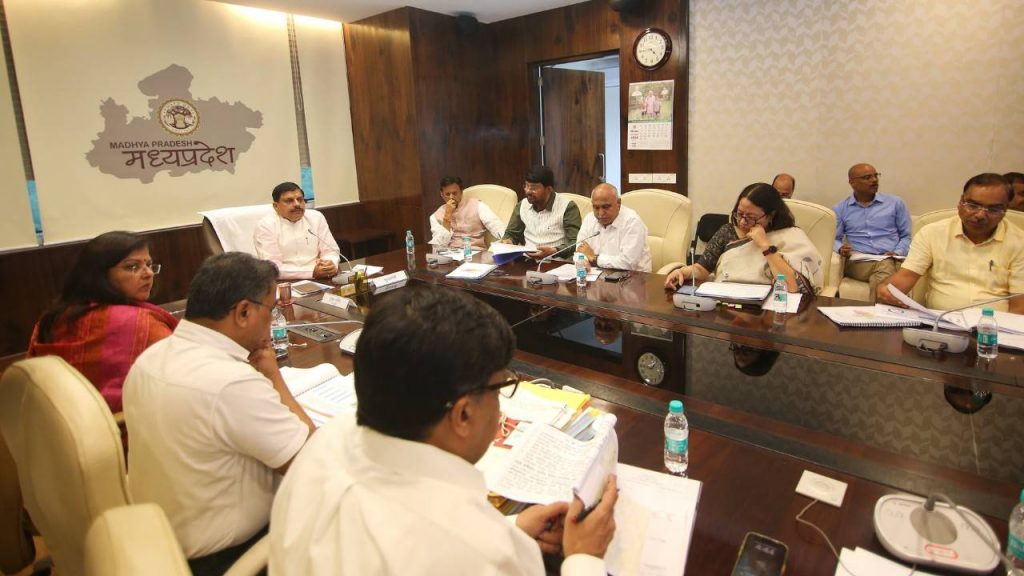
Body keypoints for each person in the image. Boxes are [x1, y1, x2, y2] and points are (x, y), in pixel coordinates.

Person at [270, 285, 617, 575]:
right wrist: (583, 557)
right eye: (500, 389)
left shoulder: (323, 445)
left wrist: (511, 530)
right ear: (463, 415)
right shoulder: (474, 551)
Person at [124, 252, 315, 574]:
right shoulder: (230, 384)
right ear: (243, 311)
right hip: (229, 556)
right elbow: (311, 462)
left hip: (162, 536)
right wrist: (274, 376)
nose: (273, 320)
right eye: (270, 310)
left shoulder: (150, 358)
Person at [27, 231, 177, 414]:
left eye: (148, 264)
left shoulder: (50, 318)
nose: (148, 274)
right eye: (132, 267)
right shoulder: (140, 323)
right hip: (123, 432)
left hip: (55, 429)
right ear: (100, 275)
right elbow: (184, 377)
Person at [878, 173, 1024, 313]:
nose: (980, 215)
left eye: (992, 209)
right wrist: (886, 289)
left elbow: (1019, 306)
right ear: (960, 202)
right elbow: (905, 278)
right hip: (940, 322)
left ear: (1005, 210)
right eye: (973, 205)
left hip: (994, 329)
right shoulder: (932, 232)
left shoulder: (1019, 242)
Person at [664, 183, 823, 294]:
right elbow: (701, 269)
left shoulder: (789, 236)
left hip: (770, 311)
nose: (742, 222)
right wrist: (683, 272)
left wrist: (764, 245)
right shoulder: (727, 232)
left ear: (771, 216)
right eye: (740, 214)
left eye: (751, 217)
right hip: (727, 306)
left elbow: (794, 287)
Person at [833, 164, 913, 302]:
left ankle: (875, 317)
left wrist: (898, 251)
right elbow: (834, 239)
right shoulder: (841, 208)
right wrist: (840, 248)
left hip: (894, 257)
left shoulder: (895, 203)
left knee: (886, 265)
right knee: (886, 266)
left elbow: (906, 236)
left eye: (876, 175)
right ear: (852, 182)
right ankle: (884, 317)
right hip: (860, 262)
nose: (874, 180)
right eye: (867, 177)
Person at [254, 181, 341, 280]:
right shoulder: (265, 225)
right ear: (276, 206)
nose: (297, 204)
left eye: (300, 199)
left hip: (321, 277)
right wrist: (312, 272)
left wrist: (329, 263)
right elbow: (272, 267)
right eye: (289, 200)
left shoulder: (316, 217)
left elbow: (331, 250)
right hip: (286, 282)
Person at [502, 165, 582, 259]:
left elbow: (576, 242)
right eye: (526, 186)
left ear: (549, 189)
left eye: (533, 188)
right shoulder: (522, 205)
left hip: (557, 262)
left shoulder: (568, 207)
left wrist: (555, 251)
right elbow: (512, 234)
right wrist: (508, 241)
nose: (528, 191)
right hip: (527, 261)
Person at [576, 183, 652, 272]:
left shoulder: (632, 222)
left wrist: (594, 258)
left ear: (618, 203)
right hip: (597, 276)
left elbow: (628, 263)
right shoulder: (589, 218)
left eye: (606, 207)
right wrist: (583, 261)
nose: (600, 213)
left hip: (633, 278)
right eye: (596, 207)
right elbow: (580, 250)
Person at [428, 176, 506, 250]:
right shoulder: (435, 216)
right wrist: (447, 216)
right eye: (447, 194)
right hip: (450, 257)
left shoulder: (477, 206)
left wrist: (507, 239)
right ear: (442, 195)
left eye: (454, 193)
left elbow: (496, 226)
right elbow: (438, 247)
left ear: (461, 192)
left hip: (475, 253)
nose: (451, 197)